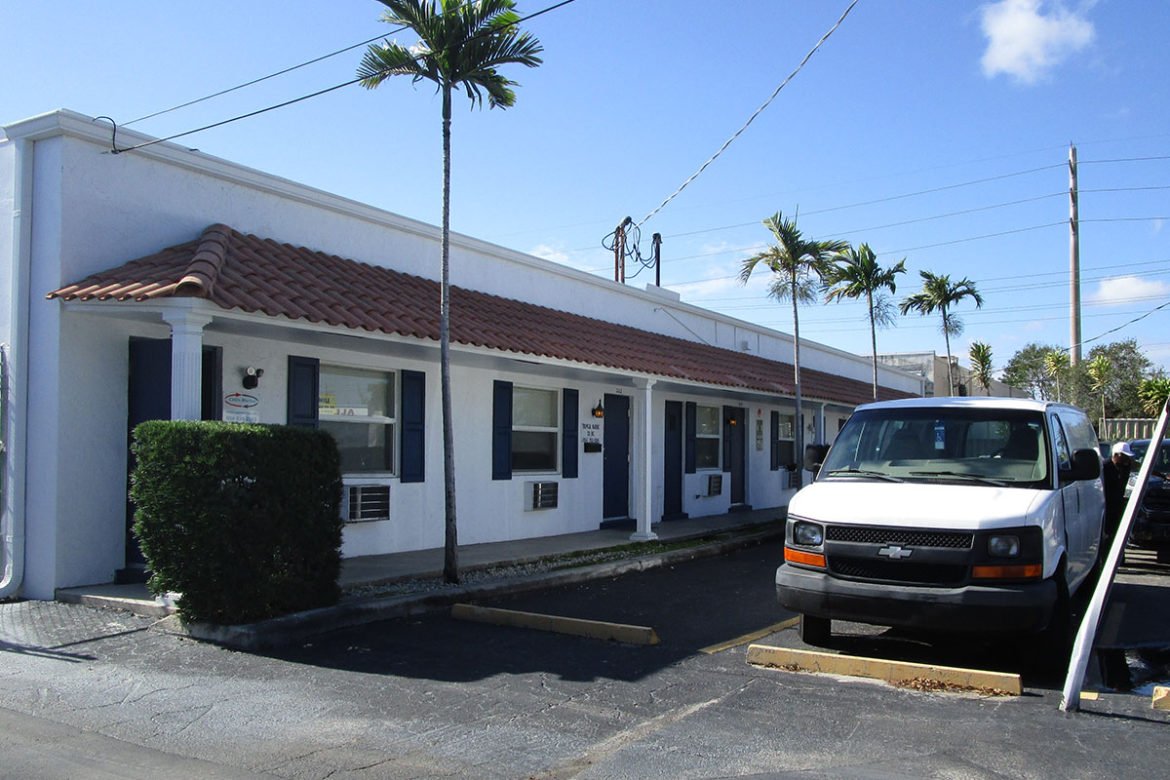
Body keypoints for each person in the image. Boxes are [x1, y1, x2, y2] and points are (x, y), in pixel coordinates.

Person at [1102, 441, 1135, 555]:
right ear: (1116, 455)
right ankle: (1106, 557)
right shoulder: (1104, 467)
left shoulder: (1125, 466)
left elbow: (1144, 467)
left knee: (1118, 532)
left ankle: (1119, 556)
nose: (1126, 459)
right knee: (1107, 533)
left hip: (1118, 504)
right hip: (1106, 505)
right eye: (1124, 456)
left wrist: (1163, 476)